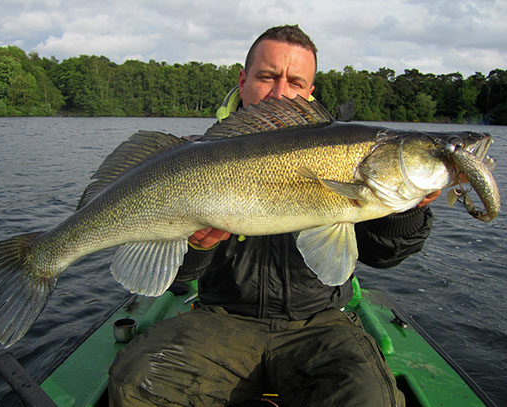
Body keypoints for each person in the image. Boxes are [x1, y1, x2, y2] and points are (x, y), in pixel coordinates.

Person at [109, 25, 438, 407]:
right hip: (221, 319)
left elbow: (385, 255)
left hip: (320, 324)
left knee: (369, 399)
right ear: (243, 80)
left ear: (310, 92)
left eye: (296, 81)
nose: (281, 91)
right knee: (136, 384)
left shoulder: (350, 153)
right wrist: (196, 247)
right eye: (268, 76)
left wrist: (406, 208)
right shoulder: (193, 158)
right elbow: (180, 276)